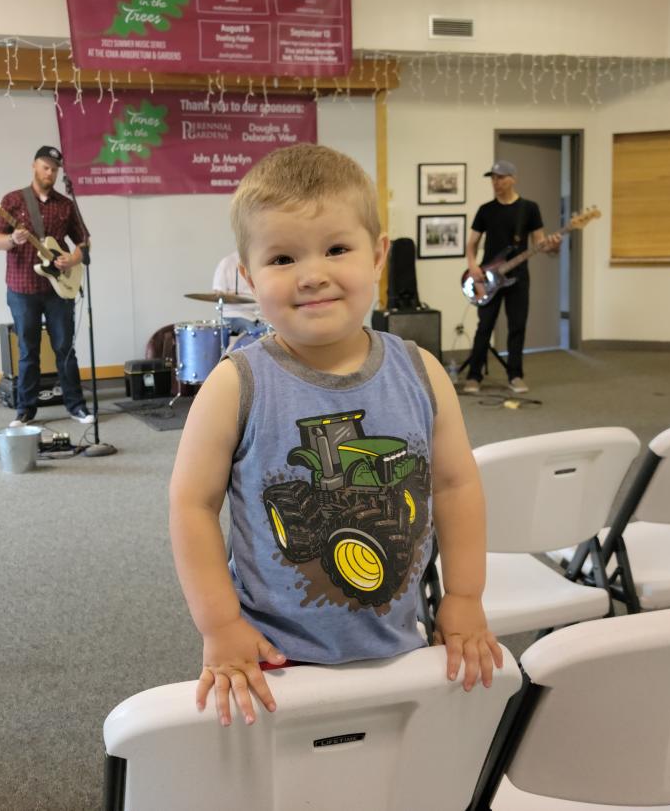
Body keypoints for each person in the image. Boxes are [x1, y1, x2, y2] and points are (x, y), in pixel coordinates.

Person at [169, 143, 502, 728]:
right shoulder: (234, 383)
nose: (313, 274)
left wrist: (465, 596)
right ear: (248, 277)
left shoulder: (422, 372)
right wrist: (220, 626)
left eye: (337, 249)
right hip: (273, 658)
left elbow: (454, 487)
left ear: (376, 257)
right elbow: (192, 504)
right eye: (282, 259)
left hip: (402, 643)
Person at [0, 145, 93, 426]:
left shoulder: (65, 204)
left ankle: (76, 406)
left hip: (59, 289)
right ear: (35, 166)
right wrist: (14, 240)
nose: (50, 173)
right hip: (23, 288)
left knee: (65, 348)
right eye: (45, 167)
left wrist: (72, 259)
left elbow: (84, 241)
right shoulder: (13, 200)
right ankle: (25, 410)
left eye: (54, 169)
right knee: (28, 351)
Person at [462, 161, 560, 395]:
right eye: (493, 178)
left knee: (517, 327)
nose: (496, 183)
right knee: (484, 326)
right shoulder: (486, 210)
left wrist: (554, 246)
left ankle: (515, 375)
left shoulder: (529, 208)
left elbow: (540, 244)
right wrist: (473, 265)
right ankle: (474, 376)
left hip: (519, 278)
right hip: (487, 278)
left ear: (513, 179)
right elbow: (472, 243)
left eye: (501, 178)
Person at [210, 250, 262, 336]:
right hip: (235, 315)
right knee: (253, 332)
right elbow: (218, 294)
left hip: (259, 315)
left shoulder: (260, 261)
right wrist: (230, 296)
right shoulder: (227, 263)